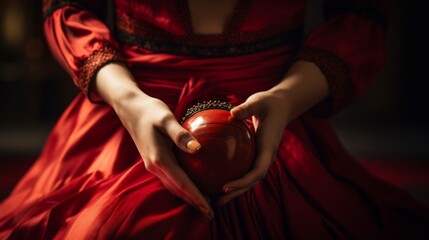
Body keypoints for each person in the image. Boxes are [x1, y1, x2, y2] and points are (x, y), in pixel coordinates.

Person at [0, 0, 428, 239]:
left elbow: (361, 14)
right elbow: (68, 6)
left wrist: (284, 100)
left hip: (278, 120)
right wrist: (129, 101)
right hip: (126, 114)